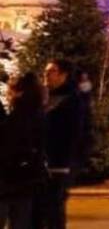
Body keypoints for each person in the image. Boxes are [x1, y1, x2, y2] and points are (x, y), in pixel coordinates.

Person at [38, 59, 85, 229]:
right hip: (43, 161)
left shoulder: (71, 100)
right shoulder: (46, 97)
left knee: (53, 207)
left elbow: (73, 133)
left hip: (59, 162)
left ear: (64, 75)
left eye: (52, 71)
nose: (47, 75)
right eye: (46, 71)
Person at [0, 73, 47, 229]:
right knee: (22, 220)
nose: (7, 94)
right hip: (28, 180)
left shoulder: (17, 117)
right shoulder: (39, 114)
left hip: (10, 180)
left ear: (20, 92)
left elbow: (8, 148)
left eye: (10, 91)